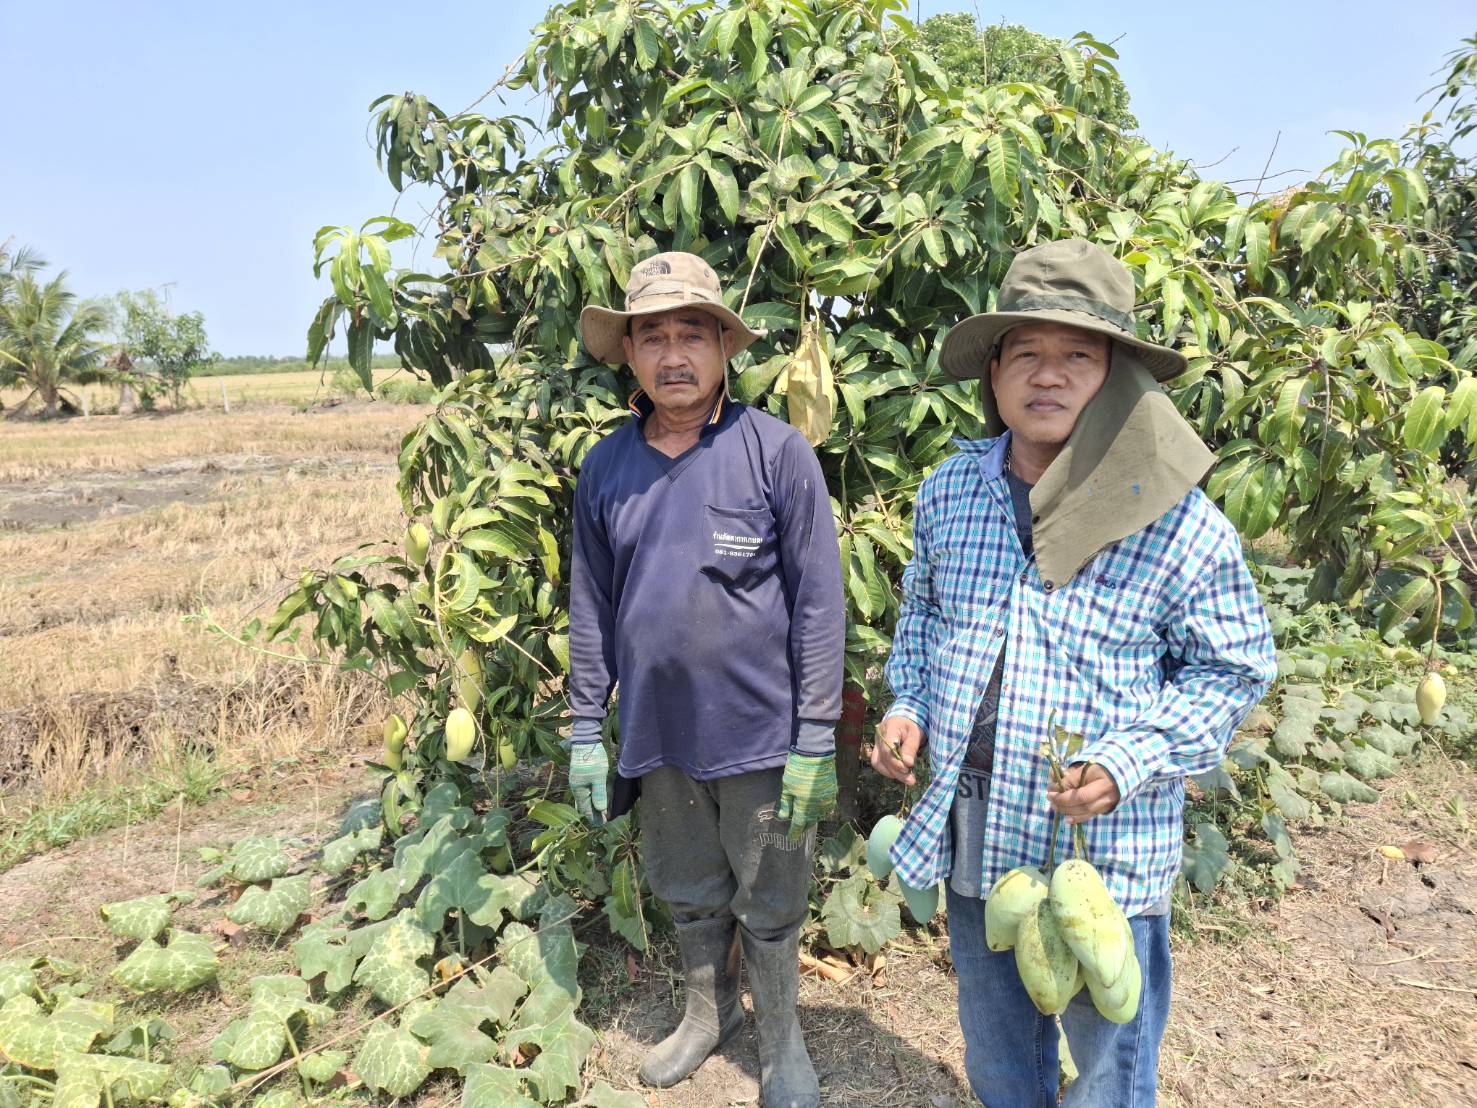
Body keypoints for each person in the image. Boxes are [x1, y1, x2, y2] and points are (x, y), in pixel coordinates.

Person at [870, 239, 1276, 1107]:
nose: (1047, 376)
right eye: (1025, 353)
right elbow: (925, 617)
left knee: (1106, 1064)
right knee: (997, 1050)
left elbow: (1231, 668)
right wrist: (908, 704)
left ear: (1116, 379)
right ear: (992, 373)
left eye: (1077, 357)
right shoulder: (949, 493)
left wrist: (1127, 759)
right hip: (979, 829)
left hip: (1103, 855)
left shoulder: (1174, 522)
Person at [568, 251, 845, 1108]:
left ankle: (781, 1038)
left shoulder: (776, 452)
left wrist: (815, 737)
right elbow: (590, 603)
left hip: (760, 732)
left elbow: (818, 602)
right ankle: (707, 1012)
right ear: (629, 355)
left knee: (770, 892)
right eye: (652, 337)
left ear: (724, 347)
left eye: (692, 334)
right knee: (688, 888)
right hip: (658, 731)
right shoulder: (606, 467)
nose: (673, 355)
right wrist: (583, 729)